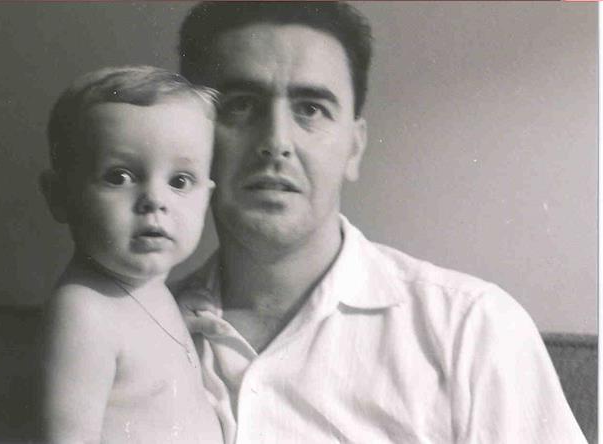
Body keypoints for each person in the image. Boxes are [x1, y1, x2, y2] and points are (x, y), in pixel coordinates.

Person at [172, 2, 587, 443]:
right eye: (240, 105)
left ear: (354, 147)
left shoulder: (473, 330)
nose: (276, 141)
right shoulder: (140, 325)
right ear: (189, 137)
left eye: (311, 109)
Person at [39, 66, 224, 443]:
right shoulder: (83, 313)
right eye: (119, 177)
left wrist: (180, 320)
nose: (155, 200)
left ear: (206, 197)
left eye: (179, 181)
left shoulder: (148, 288)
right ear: (60, 196)